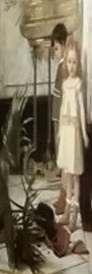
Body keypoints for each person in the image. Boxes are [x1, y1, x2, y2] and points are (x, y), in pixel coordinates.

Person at [56, 39, 88, 231]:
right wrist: (59, 131)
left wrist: (84, 133)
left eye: (75, 62)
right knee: (67, 172)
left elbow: (82, 110)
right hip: (66, 131)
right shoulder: (65, 84)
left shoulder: (77, 84)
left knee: (75, 173)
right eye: (69, 61)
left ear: (78, 64)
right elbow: (61, 111)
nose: (71, 66)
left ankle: (75, 212)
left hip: (75, 131)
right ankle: (67, 209)